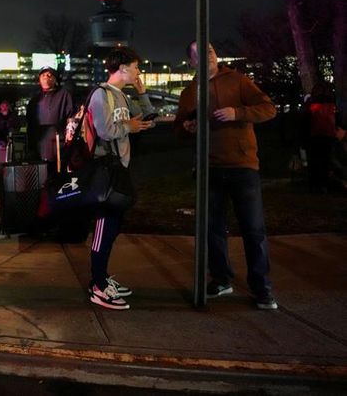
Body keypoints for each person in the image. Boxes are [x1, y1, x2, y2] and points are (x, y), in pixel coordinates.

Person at [175, 41, 278, 310]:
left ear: (216, 55)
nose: (207, 55)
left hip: (242, 166)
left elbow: (268, 108)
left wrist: (238, 112)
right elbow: (178, 129)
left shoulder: (238, 81)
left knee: (253, 229)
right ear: (192, 62)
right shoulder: (190, 92)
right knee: (212, 230)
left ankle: (261, 286)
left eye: (209, 50)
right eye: (199, 53)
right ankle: (221, 279)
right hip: (208, 169)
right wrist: (187, 127)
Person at [86, 47, 155, 310]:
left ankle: (102, 277)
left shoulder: (122, 97)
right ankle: (98, 285)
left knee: (113, 227)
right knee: (104, 228)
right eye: (136, 67)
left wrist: (142, 93)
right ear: (123, 67)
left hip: (120, 168)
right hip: (105, 170)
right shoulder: (101, 95)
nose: (138, 71)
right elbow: (104, 131)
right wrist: (129, 126)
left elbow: (149, 119)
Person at [26, 66, 75, 174]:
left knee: (57, 175)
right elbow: (30, 123)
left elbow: (71, 116)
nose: (46, 78)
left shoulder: (64, 95)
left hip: (58, 144)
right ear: (39, 79)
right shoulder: (35, 99)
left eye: (49, 75)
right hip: (39, 145)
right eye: (43, 75)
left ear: (55, 79)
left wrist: (70, 132)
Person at [300, 81, 340, 192]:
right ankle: (325, 184)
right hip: (329, 136)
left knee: (314, 161)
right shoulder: (332, 102)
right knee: (326, 160)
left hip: (313, 137)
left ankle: (314, 185)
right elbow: (338, 119)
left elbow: (304, 121)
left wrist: (303, 138)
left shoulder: (310, 103)